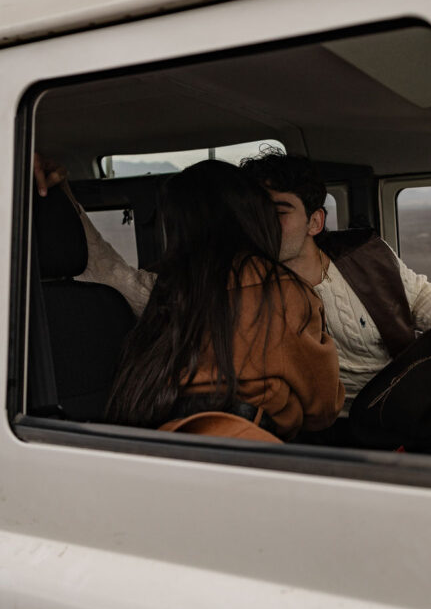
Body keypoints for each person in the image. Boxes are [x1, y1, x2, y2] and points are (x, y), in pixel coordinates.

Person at [48, 158, 343, 441]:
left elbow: (108, 269)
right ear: (251, 214)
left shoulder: (163, 291)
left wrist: (62, 193)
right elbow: (323, 409)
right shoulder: (282, 289)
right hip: (249, 450)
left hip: (162, 445)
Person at [240, 152, 431, 408]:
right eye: (255, 214)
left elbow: (422, 296)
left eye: (278, 213)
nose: (263, 225)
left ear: (315, 222)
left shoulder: (367, 257)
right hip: (323, 429)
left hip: (399, 401)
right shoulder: (245, 287)